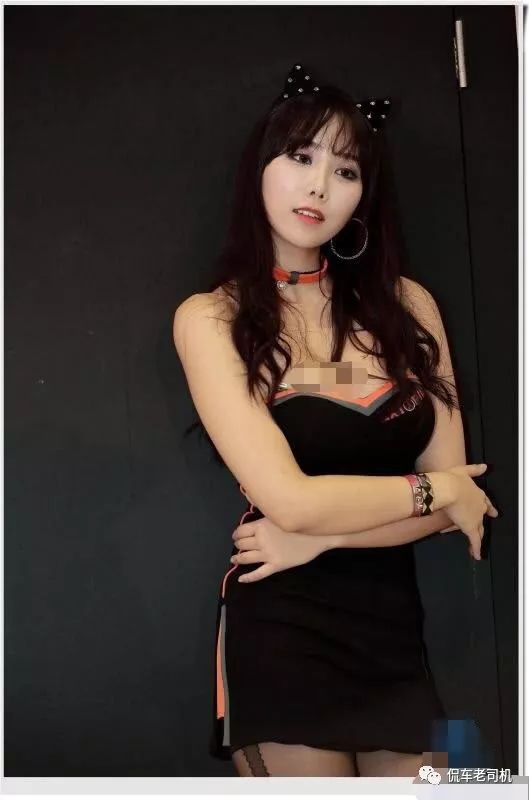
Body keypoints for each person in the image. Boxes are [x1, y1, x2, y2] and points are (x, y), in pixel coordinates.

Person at [172, 63, 498, 777]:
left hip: (394, 639)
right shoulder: (211, 318)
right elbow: (293, 501)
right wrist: (436, 491)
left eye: (345, 170)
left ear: (363, 195)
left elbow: (455, 503)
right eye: (300, 157)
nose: (319, 185)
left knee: (465, 778)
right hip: (281, 632)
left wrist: (323, 537)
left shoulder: (410, 306)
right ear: (259, 168)